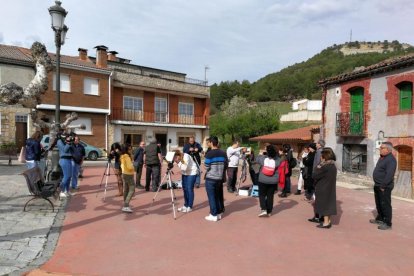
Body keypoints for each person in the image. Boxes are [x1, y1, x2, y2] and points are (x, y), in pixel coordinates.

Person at [370, 142, 397, 230]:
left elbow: (389, 174)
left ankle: (388, 223)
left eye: (382, 148)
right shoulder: (382, 157)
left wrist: (383, 185)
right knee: (378, 203)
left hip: (384, 186)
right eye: (380, 148)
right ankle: (380, 218)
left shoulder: (391, 160)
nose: (380, 149)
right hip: (378, 184)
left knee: (385, 204)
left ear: (388, 150)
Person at [312, 147, 337, 229]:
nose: (320, 157)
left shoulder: (325, 167)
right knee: (329, 204)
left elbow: (314, 174)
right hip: (330, 187)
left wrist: (319, 165)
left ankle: (326, 223)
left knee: (324, 205)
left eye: (322, 156)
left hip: (323, 187)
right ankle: (328, 221)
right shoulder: (333, 165)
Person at [204, 136, 228, 222]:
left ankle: (213, 214)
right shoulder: (223, 153)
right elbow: (226, 164)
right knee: (217, 196)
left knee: (211, 197)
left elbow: (206, 166)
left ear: (211, 143)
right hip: (219, 178)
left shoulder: (209, 153)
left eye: (208, 142)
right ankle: (218, 213)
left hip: (211, 178)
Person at [256, 144, 283, 217]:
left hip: (263, 180)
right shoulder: (278, 160)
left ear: (267, 152)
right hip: (273, 181)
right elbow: (280, 160)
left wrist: (261, 153)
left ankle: (263, 209)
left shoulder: (263, 158)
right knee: (270, 195)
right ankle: (269, 211)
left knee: (262, 195)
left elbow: (257, 159)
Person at [57, 133, 74, 198]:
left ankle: (67, 191)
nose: (67, 137)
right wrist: (68, 142)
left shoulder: (65, 141)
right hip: (64, 160)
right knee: (66, 176)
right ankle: (61, 191)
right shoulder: (59, 141)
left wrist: (71, 142)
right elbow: (65, 150)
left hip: (69, 160)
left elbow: (71, 149)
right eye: (66, 136)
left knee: (69, 176)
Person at [120, 144, 135, 213]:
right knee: (132, 189)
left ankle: (125, 205)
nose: (131, 150)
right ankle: (126, 205)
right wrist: (134, 166)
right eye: (130, 149)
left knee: (126, 189)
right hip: (129, 174)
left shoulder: (122, 156)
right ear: (127, 149)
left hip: (124, 173)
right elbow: (129, 167)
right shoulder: (127, 157)